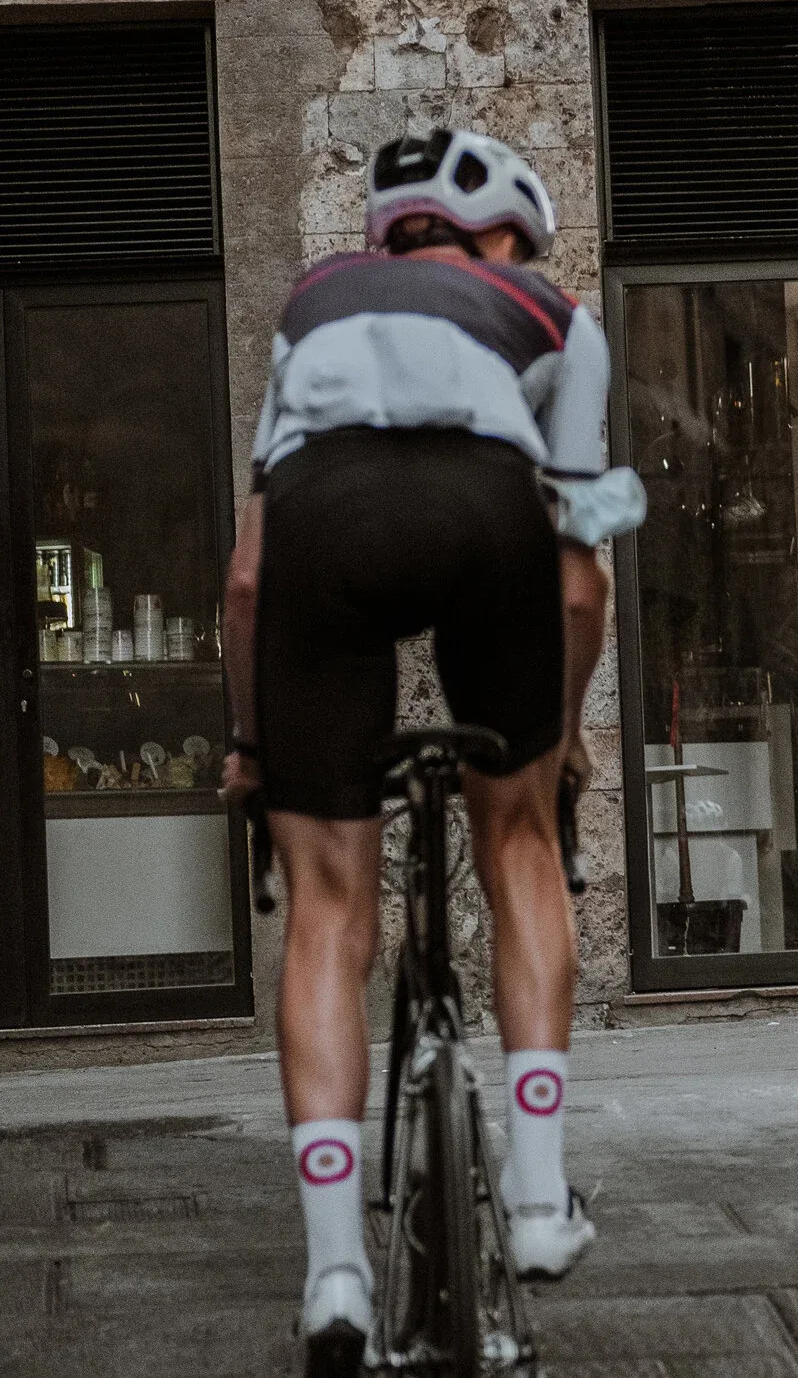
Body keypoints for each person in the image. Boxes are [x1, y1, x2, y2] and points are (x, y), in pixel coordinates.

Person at [220, 129, 639, 1377]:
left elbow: (246, 578)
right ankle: (538, 1194)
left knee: (326, 910)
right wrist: (556, 740)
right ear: (501, 233)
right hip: (488, 517)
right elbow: (579, 582)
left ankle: (335, 1273)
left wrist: (251, 743)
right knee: (517, 843)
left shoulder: (309, 308)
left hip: (322, 526)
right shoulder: (554, 314)